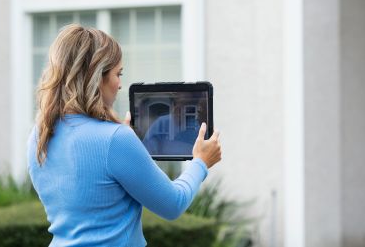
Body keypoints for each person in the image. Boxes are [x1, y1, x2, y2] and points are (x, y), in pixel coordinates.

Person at [27, 24, 222, 246]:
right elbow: (173, 204)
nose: (120, 85)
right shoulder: (116, 139)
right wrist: (201, 162)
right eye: (117, 74)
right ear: (96, 77)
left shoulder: (39, 134)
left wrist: (124, 144)